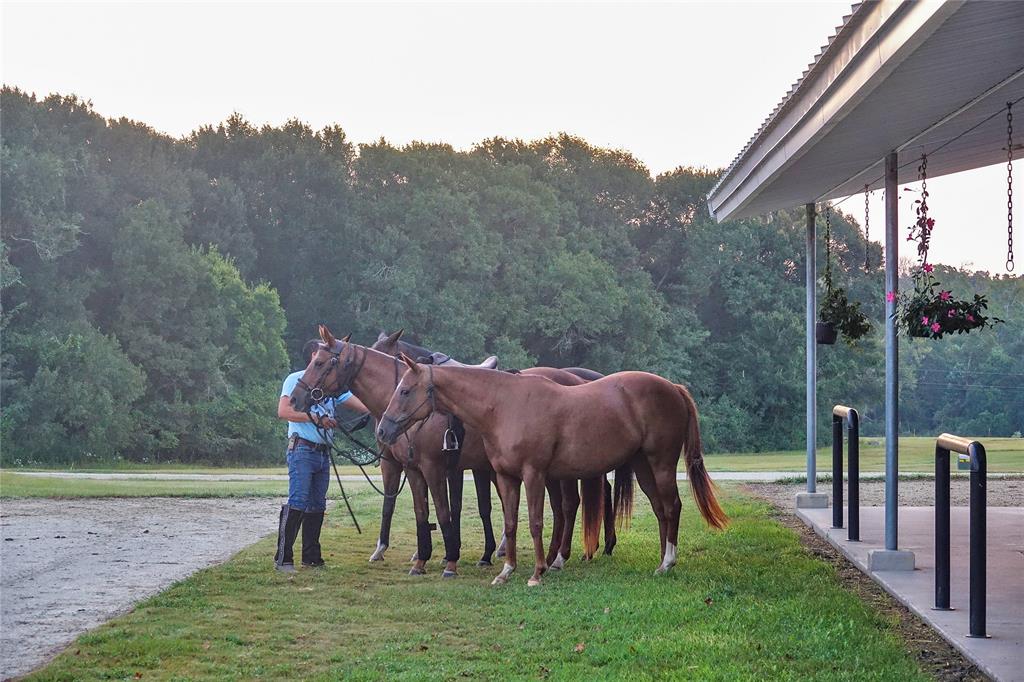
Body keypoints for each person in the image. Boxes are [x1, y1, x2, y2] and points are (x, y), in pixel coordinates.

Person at [274, 339, 368, 572]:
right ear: (314, 355)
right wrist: (315, 419)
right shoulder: (295, 379)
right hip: (302, 449)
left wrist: (379, 407)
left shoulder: (329, 385)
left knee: (317, 505)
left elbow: (359, 404)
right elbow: (284, 411)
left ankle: (311, 557)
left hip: (322, 452)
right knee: (298, 501)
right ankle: (283, 558)